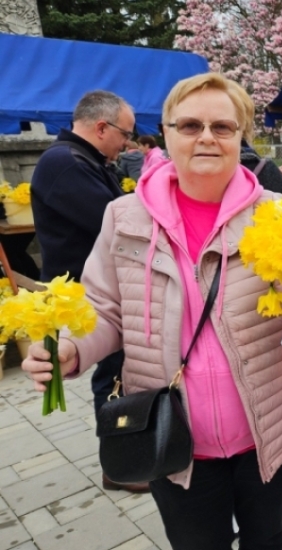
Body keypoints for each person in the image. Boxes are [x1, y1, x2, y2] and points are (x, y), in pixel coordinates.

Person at [22, 73, 282, 550]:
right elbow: (104, 308)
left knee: (267, 539)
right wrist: (70, 349)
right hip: (174, 441)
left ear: (240, 136)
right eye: (190, 125)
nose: (206, 137)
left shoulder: (281, 213)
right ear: (165, 133)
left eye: (222, 127)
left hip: (267, 431)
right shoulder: (124, 217)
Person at [29, 90, 141, 492]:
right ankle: (119, 465)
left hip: (95, 286)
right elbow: (112, 221)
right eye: (125, 135)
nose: (127, 144)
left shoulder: (84, 159)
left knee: (118, 373)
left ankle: (126, 456)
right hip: (87, 293)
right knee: (111, 376)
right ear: (101, 127)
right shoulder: (65, 162)